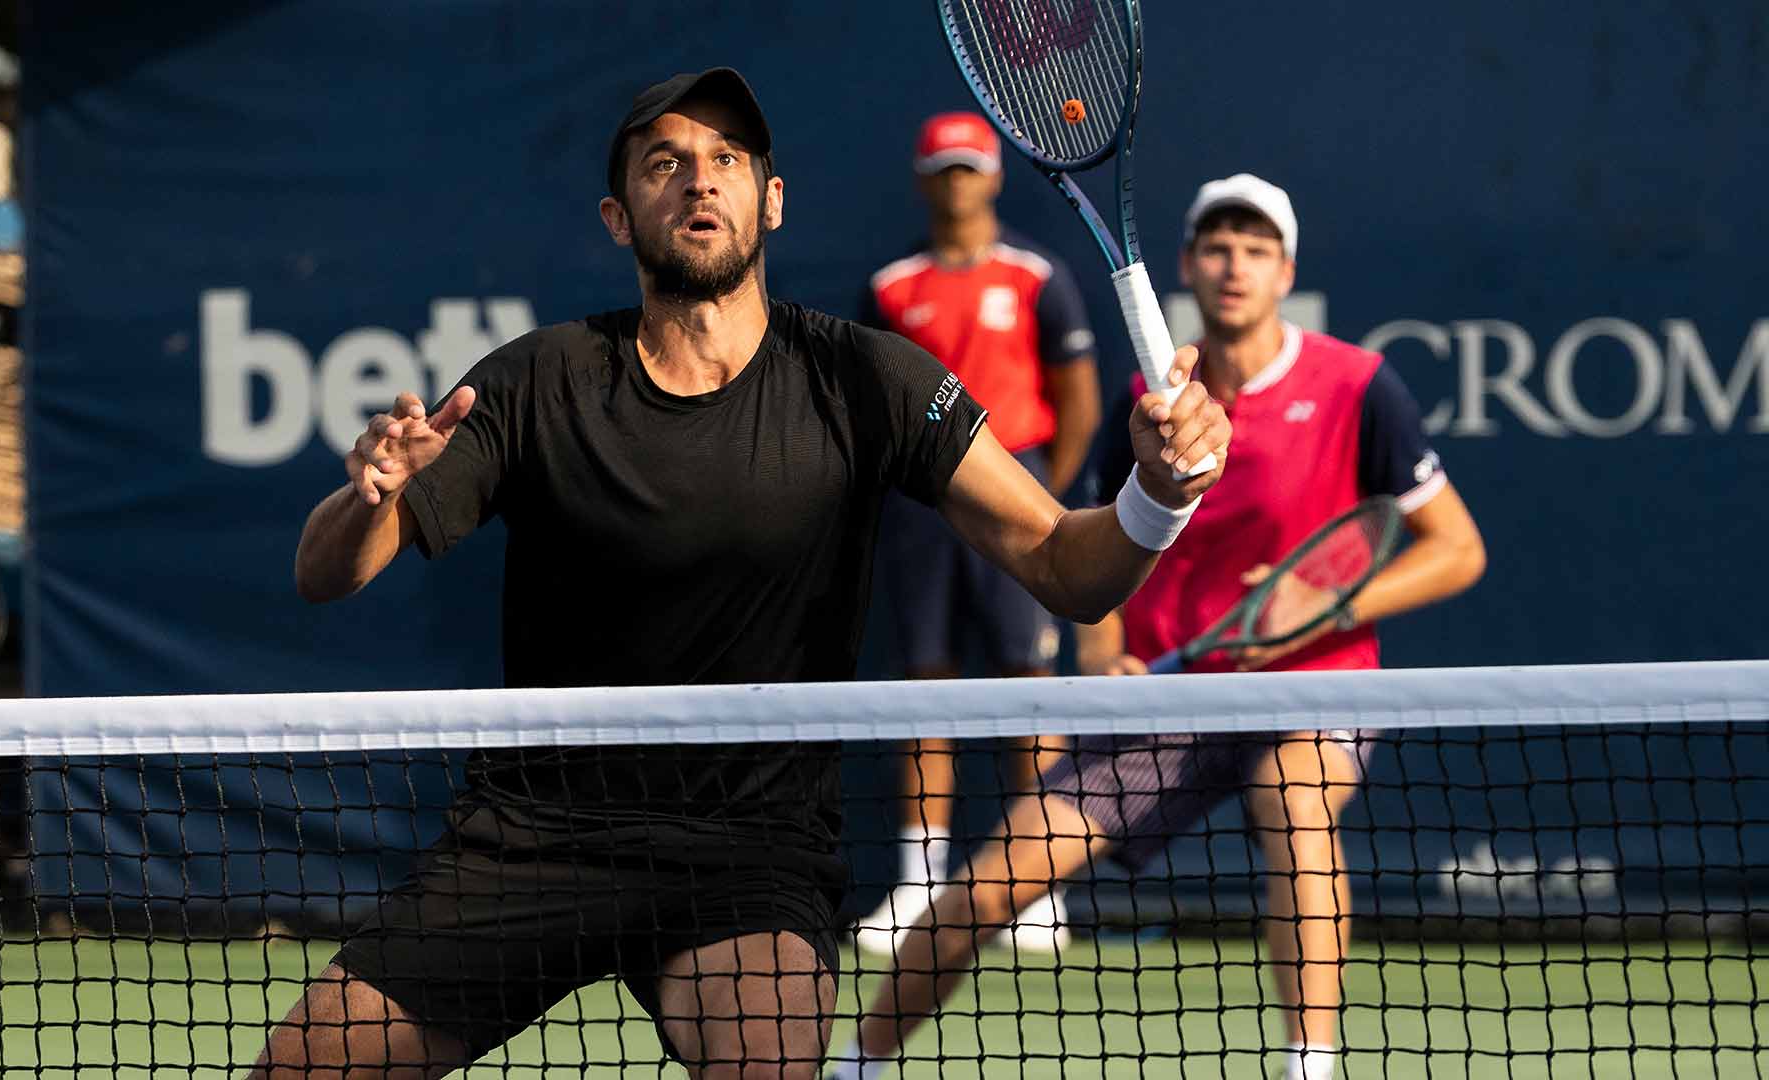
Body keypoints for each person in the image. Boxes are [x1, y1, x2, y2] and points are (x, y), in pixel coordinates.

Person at [250, 68, 1230, 1080]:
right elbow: (326, 574)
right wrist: (367, 496)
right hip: (535, 837)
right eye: (664, 162)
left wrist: (1157, 494)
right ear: (618, 216)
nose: (698, 181)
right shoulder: (538, 378)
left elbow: (1067, 568)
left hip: (750, 854)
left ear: (770, 199)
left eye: (727, 159)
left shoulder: (867, 378)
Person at [830, 173, 1486, 1080]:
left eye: (1256, 250)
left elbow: (1456, 549)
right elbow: (1095, 558)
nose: (1234, 266)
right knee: (985, 889)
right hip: (1174, 696)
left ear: (1285, 269)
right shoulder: (1150, 401)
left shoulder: (1360, 385)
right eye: (1218, 246)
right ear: (1188, 262)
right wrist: (1107, 660)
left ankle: (1311, 1068)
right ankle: (856, 1066)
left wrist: (1325, 605)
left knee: (1294, 808)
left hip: (1316, 686)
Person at [854, 112, 1102, 956]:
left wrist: (1044, 504)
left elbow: (1078, 403)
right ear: (926, 180)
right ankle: (920, 884)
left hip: (1020, 493)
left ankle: (1034, 890)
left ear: (994, 176)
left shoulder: (1038, 276)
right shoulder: (890, 288)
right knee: (925, 690)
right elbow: (872, 410)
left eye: (972, 167)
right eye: (945, 169)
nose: (959, 181)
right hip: (922, 512)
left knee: (1030, 686)